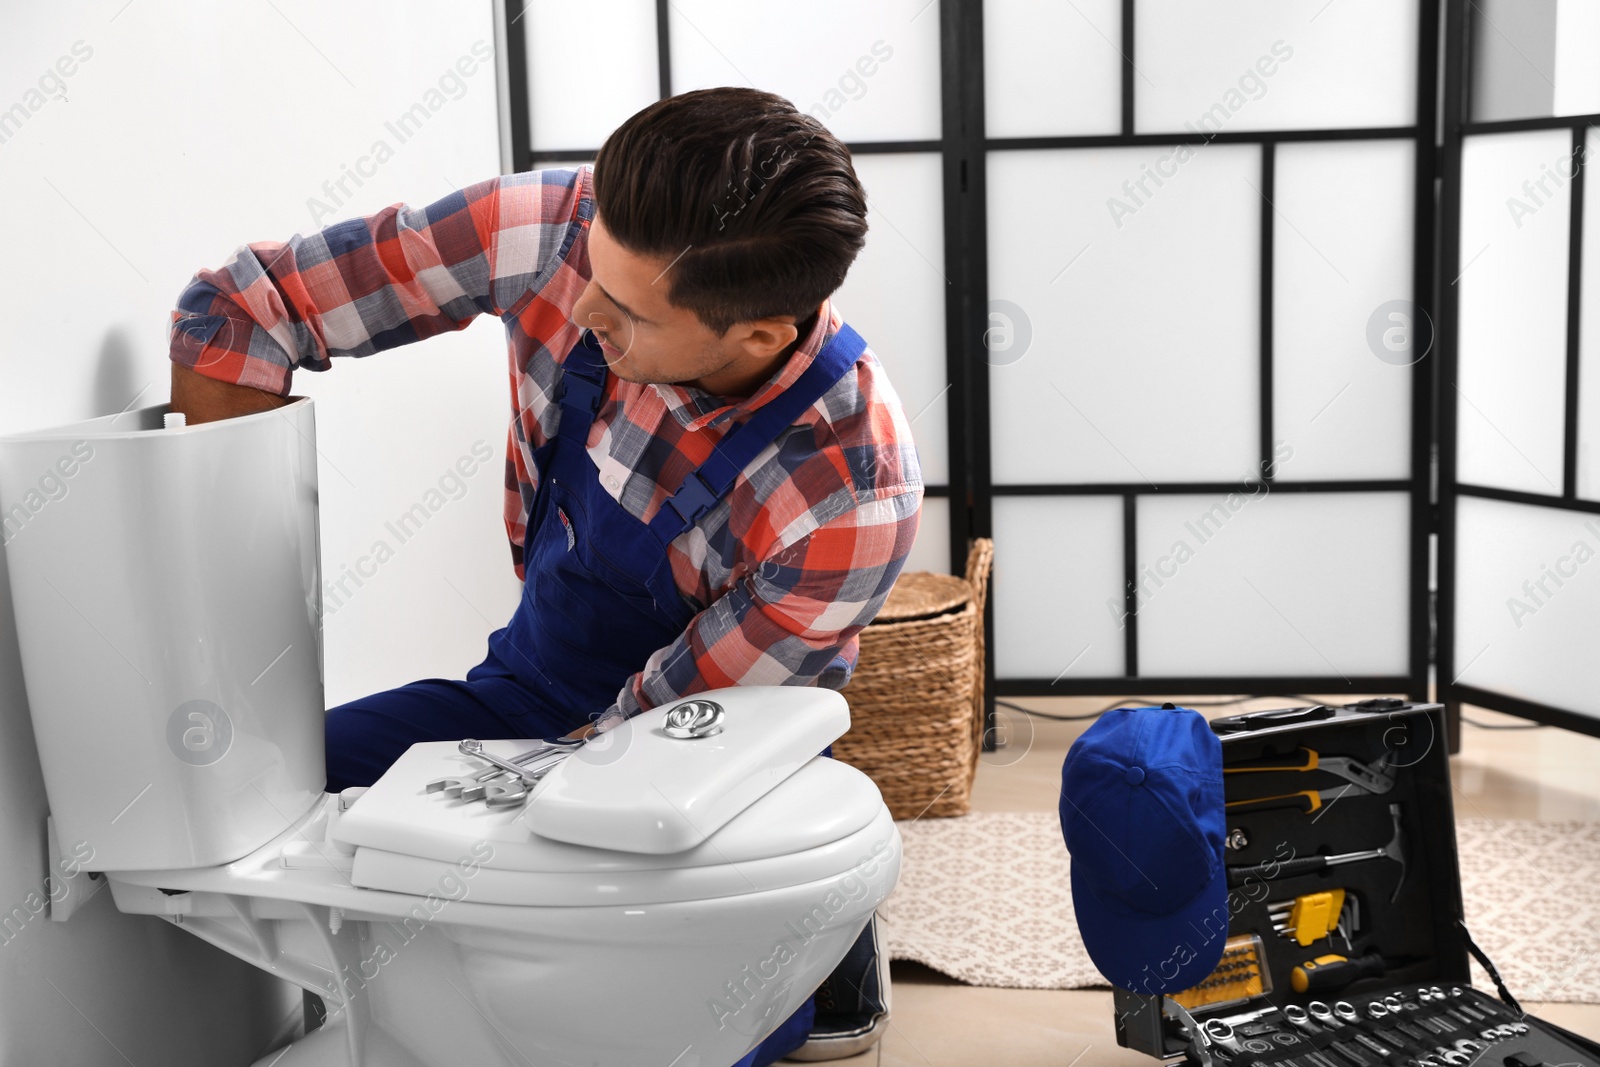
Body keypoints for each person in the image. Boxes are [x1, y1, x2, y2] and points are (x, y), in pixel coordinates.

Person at [167, 86, 922, 1064]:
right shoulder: (562, 227)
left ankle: (820, 954)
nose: (582, 303)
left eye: (631, 310)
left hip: (701, 746)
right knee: (247, 785)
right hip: (529, 684)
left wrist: (458, 847)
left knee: (675, 1024)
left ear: (760, 335)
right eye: (592, 261)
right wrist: (227, 645)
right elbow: (238, 310)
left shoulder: (848, 491)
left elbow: (636, 744)